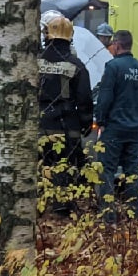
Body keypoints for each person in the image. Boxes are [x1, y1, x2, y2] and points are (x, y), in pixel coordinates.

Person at [93, 29, 138, 222]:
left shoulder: (113, 67)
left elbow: (105, 97)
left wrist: (100, 120)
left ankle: (108, 215)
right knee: (132, 170)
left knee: (107, 170)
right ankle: (134, 213)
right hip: (135, 129)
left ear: (116, 45)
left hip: (114, 128)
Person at [38, 15, 93, 211]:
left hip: (40, 123)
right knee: (65, 163)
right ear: (70, 37)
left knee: (41, 162)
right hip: (66, 124)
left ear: (47, 36)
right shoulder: (76, 65)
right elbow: (84, 98)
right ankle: (62, 204)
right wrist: (86, 121)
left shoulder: (34, 63)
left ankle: (40, 202)